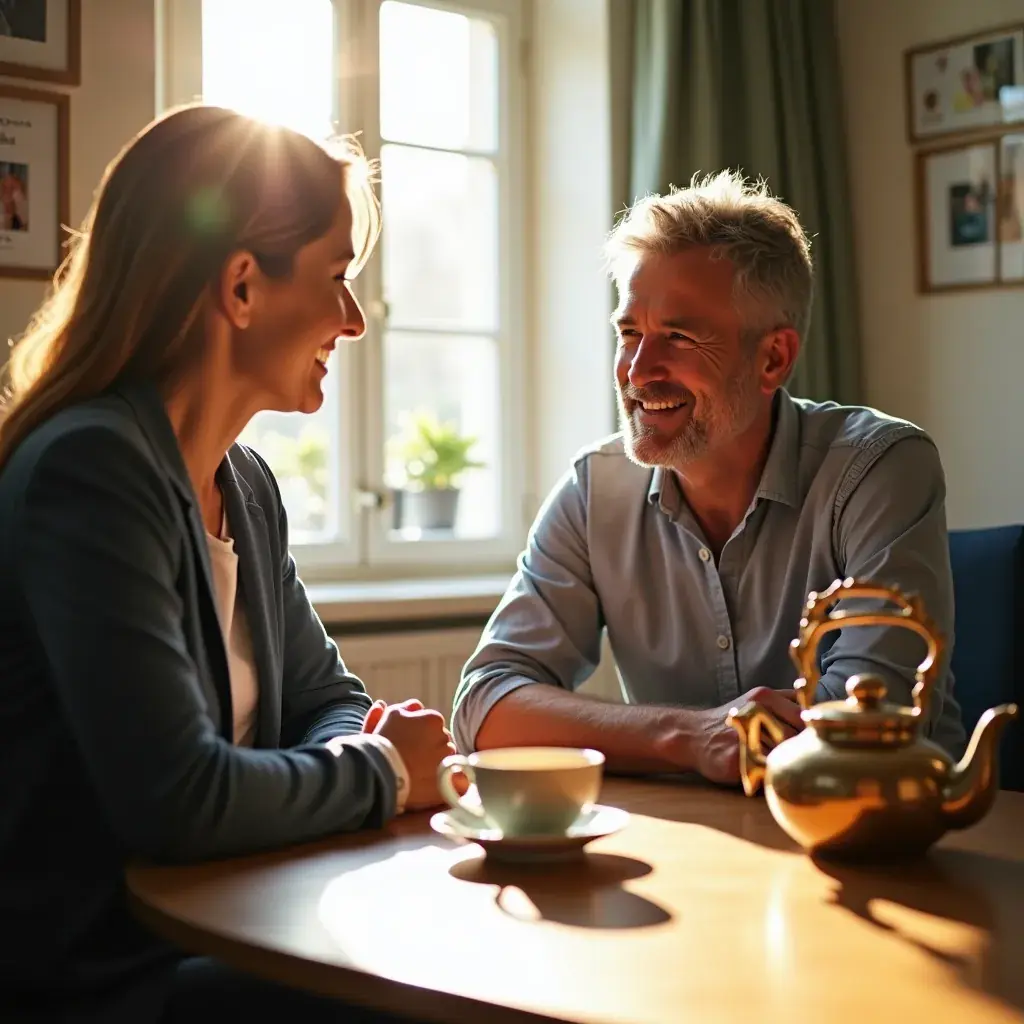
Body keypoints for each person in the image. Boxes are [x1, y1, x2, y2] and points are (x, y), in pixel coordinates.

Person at [0, 104, 452, 1023]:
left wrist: (357, 751)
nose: (355, 320)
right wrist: (384, 774)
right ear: (241, 287)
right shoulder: (91, 470)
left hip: (238, 921)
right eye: (336, 277)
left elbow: (328, 695)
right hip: (107, 975)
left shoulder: (243, 483)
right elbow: (177, 799)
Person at [452, 170, 965, 780]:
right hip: (693, 844)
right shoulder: (596, 491)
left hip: (880, 839)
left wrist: (661, 739)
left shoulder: (878, 468)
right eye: (630, 333)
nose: (638, 372)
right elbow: (486, 706)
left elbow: (872, 723)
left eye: (679, 337)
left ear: (772, 357)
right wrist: (683, 736)